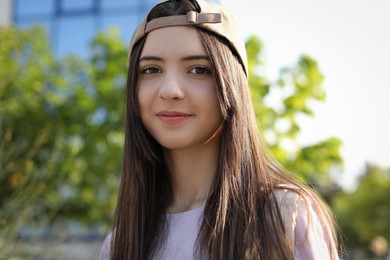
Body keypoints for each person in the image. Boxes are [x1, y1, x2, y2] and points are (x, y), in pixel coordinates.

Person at [100, 0, 340, 259]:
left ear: (232, 84)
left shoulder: (285, 217)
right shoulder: (119, 245)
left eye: (199, 69)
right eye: (151, 69)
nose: (169, 90)